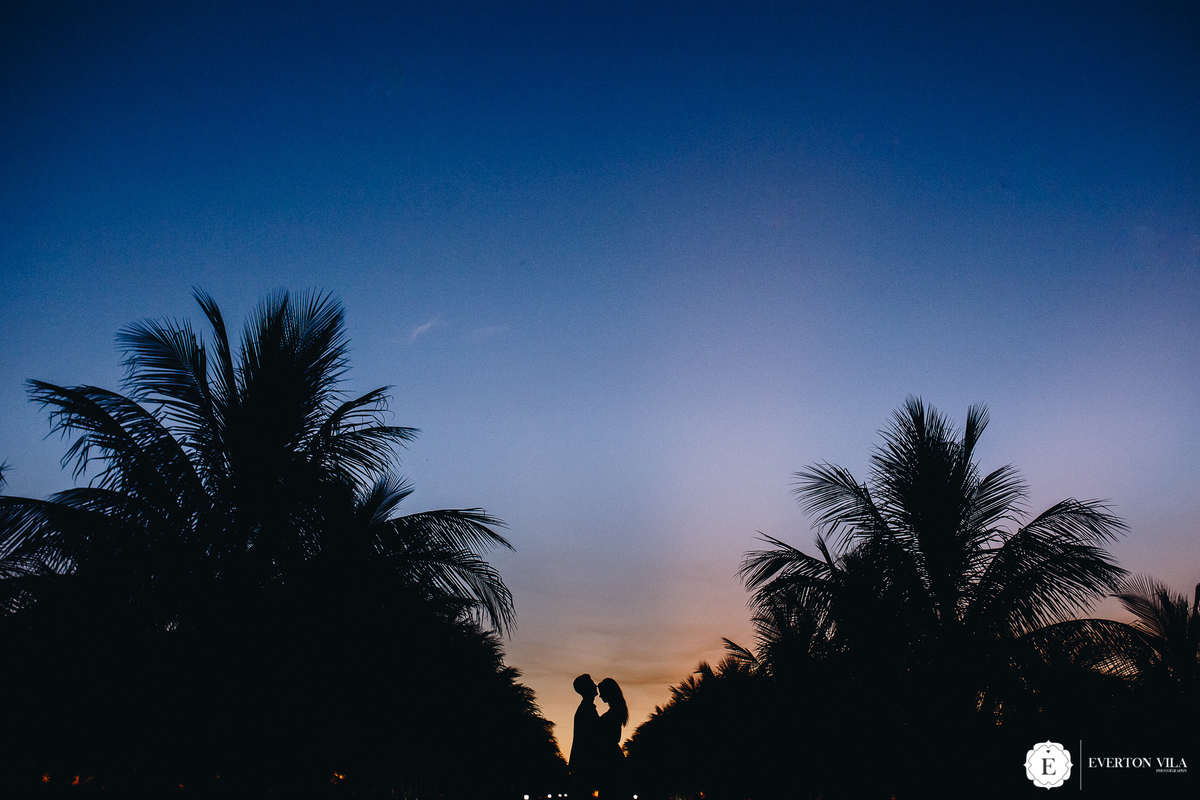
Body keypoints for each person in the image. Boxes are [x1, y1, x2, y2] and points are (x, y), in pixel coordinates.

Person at [595, 678, 629, 799]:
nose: (600, 696)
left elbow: (613, 737)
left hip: (611, 760)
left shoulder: (614, 713)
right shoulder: (616, 711)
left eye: (602, 692)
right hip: (612, 758)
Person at [569, 674, 600, 796]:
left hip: (583, 762)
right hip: (585, 762)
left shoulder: (586, 708)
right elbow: (586, 739)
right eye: (592, 684)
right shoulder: (586, 710)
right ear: (586, 688)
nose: (595, 686)